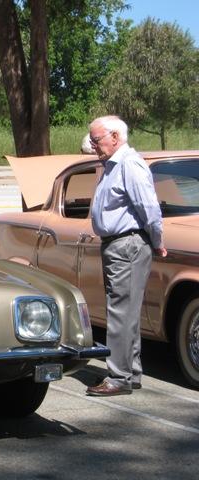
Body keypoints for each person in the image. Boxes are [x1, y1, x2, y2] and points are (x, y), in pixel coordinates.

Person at [86, 115, 167, 397]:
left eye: (96, 140)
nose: (93, 145)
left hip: (127, 244)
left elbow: (149, 208)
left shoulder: (129, 164)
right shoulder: (112, 165)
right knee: (125, 311)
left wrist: (157, 241)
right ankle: (130, 372)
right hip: (117, 245)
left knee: (120, 312)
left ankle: (119, 377)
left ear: (115, 137)